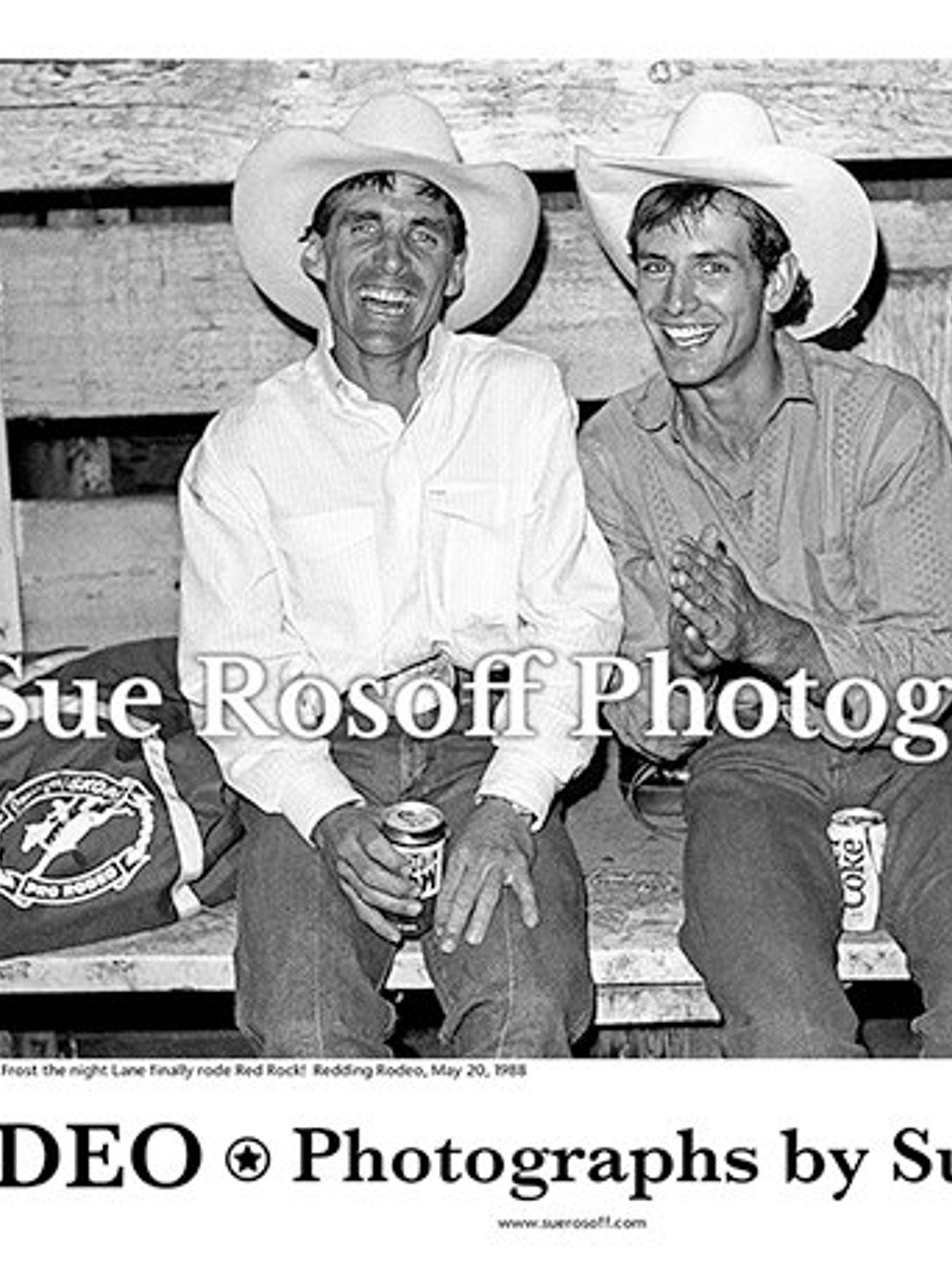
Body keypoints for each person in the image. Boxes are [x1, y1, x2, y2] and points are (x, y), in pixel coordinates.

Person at [573, 91, 952, 1057]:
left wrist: (767, 637)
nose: (674, 304)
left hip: (911, 756)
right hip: (743, 765)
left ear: (780, 279)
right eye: (655, 269)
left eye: (712, 268)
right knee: (786, 1027)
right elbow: (651, 726)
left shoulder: (882, 418)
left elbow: (930, 667)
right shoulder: (615, 451)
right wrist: (689, 667)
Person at [178, 92, 622, 1058]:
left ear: (457, 271)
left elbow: (575, 621)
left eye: (425, 234)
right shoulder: (246, 446)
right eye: (363, 227)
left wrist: (512, 800)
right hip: (325, 754)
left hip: (490, 743)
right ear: (314, 254)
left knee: (525, 1010)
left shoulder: (522, 395)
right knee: (305, 1028)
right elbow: (231, 673)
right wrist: (328, 816)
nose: (392, 261)